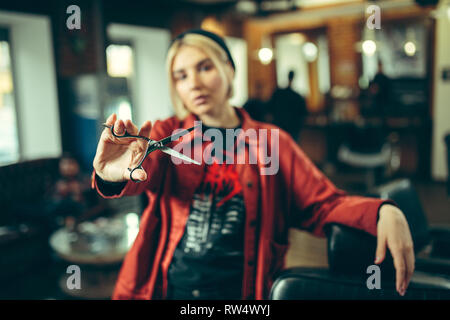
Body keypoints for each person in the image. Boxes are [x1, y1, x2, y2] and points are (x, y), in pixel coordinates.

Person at [91, 29, 415, 300]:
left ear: (229, 70)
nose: (194, 83)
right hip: (172, 288)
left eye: (205, 67)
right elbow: (141, 175)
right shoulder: (167, 133)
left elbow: (322, 203)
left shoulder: (272, 141)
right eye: (181, 76)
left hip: (243, 295)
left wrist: (381, 211)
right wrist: (111, 177)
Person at [267, 70, 308, 141]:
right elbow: (303, 114)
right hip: (291, 129)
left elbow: (270, 109)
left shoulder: (278, 93)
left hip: (280, 128)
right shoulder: (297, 97)